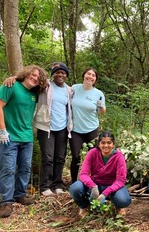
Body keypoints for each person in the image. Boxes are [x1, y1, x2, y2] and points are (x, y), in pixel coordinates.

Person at [0, 65, 48, 218]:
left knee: (25, 167)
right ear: (26, 74)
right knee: (8, 169)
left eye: (38, 78)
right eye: (33, 75)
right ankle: (6, 202)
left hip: (26, 137)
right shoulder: (11, 85)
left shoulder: (35, 93)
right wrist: (2, 130)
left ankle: (20, 194)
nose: (35, 79)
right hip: (9, 137)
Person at [69, 131, 131, 218]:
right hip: (95, 183)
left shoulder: (119, 156)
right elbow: (83, 174)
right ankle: (84, 206)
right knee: (75, 188)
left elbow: (121, 180)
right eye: (103, 143)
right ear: (98, 144)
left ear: (113, 144)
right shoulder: (92, 153)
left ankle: (118, 207)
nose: (106, 145)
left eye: (109, 143)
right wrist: (93, 186)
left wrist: (105, 193)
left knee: (124, 200)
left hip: (112, 185)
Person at [34, 62, 73, 196]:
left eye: (63, 73)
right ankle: (45, 186)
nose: (60, 74)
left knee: (60, 157)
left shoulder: (69, 90)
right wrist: (13, 78)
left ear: (66, 75)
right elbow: (29, 81)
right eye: (57, 72)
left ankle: (57, 184)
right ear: (53, 75)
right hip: (46, 127)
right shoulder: (46, 86)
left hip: (62, 128)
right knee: (48, 157)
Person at [69, 67, 106, 183]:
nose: (90, 77)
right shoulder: (74, 88)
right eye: (88, 74)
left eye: (93, 75)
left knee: (93, 157)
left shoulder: (98, 94)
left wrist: (101, 107)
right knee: (76, 157)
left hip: (91, 129)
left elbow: (101, 112)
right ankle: (74, 182)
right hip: (75, 129)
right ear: (84, 75)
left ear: (95, 79)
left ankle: (93, 181)